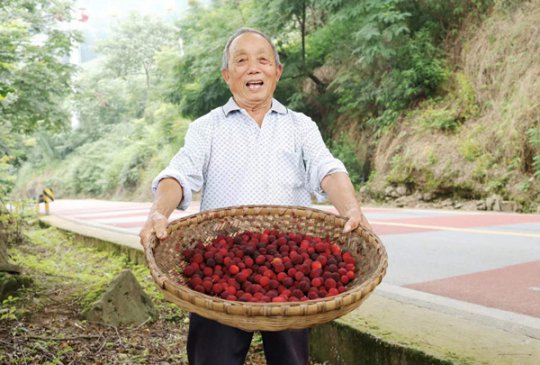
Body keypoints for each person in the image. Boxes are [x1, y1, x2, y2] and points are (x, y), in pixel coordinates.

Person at [139, 27, 371, 365]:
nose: (253, 68)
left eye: (263, 60)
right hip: (220, 273)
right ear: (226, 75)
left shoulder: (300, 126)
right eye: (241, 60)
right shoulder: (207, 127)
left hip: (293, 273)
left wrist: (351, 207)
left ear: (277, 72)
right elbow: (178, 173)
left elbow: (326, 168)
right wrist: (158, 212)